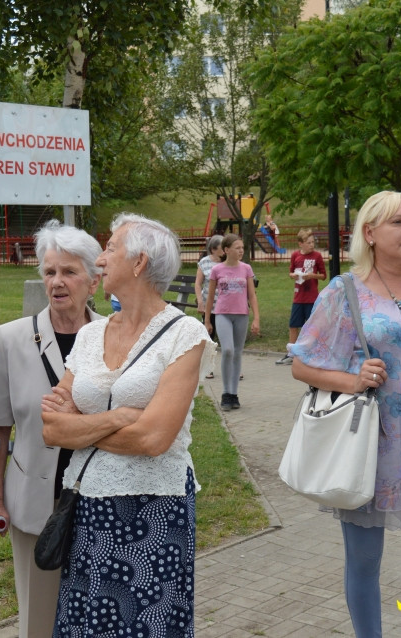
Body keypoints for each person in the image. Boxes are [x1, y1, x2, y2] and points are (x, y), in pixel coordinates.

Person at [290, 191, 401, 638]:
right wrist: (353, 378)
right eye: (398, 222)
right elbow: (302, 364)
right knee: (365, 561)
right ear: (369, 234)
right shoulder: (344, 291)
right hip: (370, 451)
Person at [40, 212, 212, 638]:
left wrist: (81, 422)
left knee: (147, 625)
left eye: (111, 248)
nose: (100, 258)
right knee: (88, 625)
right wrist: (118, 417)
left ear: (139, 262)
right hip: (88, 504)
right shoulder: (90, 336)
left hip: (154, 512)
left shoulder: (184, 334)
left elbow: (154, 438)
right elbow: (52, 430)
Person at [0, 220, 102, 638]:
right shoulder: (10, 339)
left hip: (104, 503)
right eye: (49, 272)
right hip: (36, 505)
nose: (57, 282)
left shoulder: (115, 339)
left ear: (93, 282)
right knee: (38, 620)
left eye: (69, 272)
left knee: (101, 614)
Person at [204, 233, 260, 410]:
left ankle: (233, 394)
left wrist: (256, 318)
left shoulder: (246, 269)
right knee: (227, 350)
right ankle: (226, 392)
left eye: (242, 248)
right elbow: (210, 296)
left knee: (237, 353)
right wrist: (207, 320)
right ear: (226, 250)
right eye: (237, 248)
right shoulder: (217, 270)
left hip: (241, 314)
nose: (241, 251)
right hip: (222, 314)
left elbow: (252, 295)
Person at [276, 228, 326, 365]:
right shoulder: (295, 256)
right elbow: (291, 272)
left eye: (312, 242)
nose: (311, 245)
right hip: (298, 297)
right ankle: (291, 353)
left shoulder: (317, 256)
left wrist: (312, 276)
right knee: (293, 325)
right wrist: (293, 275)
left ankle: (312, 351)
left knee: (311, 326)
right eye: (308, 242)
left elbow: (323, 275)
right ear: (300, 244)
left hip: (312, 297)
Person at [195, 234, 224, 378]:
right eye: (222, 248)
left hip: (225, 306)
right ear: (213, 249)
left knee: (227, 339)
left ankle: (232, 368)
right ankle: (208, 368)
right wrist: (200, 301)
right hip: (209, 306)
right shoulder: (204, 263)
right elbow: (198, 284)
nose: (225, 250)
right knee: (209, 337)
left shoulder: (228, 262)